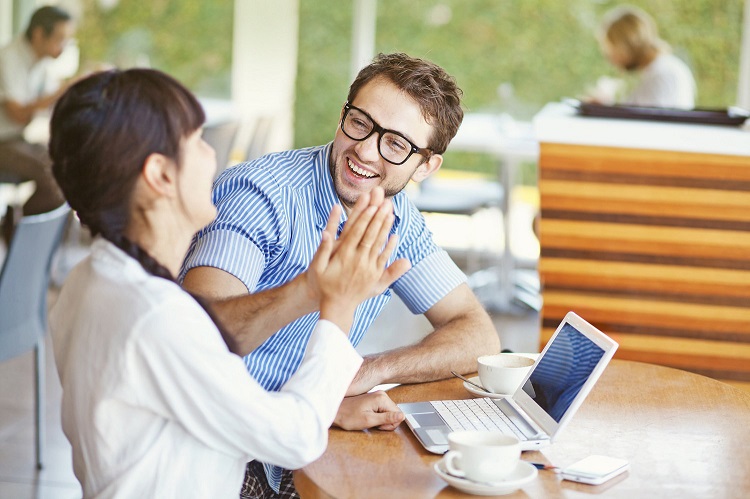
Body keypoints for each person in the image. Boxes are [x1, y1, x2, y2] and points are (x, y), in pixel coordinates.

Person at [48, 68, 408, 497]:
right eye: (198, 141)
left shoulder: (92, 278)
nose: (214, 156)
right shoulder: (158, 319)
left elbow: (210, 397)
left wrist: (314, 287)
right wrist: (340, 305)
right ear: (160, 175)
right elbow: (294, 440)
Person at [181, 52, 500, 496]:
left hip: (300, 437)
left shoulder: (397, 218)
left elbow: (477, 334)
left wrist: (362, 374)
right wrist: (313, 293)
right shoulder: (260, 193)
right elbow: (197, 338)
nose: (365, 150)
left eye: (396, 144)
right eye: (360, 123)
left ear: (425, 166)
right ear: (342, 115)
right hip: (223, 448)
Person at [0, 5, 72, 236]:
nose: (63, 46)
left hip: (17, 140)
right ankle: (14, 234)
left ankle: (16, 232)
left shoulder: (40, 64)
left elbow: (48, 105)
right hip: (3, 142)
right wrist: (61, 90)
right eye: (60, 38)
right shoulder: (8, 57)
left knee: (67, 165)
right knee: (51, 175)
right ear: (40, 33)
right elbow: (19, 114)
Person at [595, 5, 696, 109]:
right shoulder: (652, 72)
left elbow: (645, 121)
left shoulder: (662, 74)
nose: (612, 60)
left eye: (612, 52)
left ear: (627, 45)